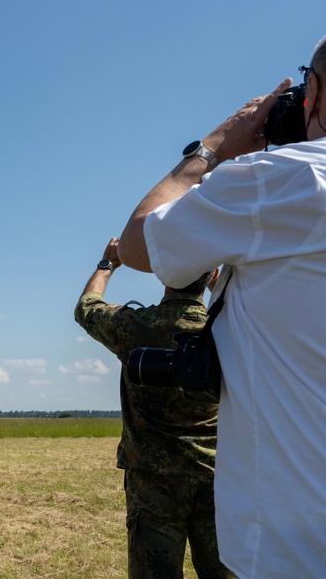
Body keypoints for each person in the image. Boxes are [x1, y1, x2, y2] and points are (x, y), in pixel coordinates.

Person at [117, 37, 326, 578]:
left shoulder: (280, 180)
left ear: (315, 91)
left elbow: (138, 243)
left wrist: (213, 148)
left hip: (292, 550)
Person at [74, 238, 233, 579]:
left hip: (152, 484)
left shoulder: (136, 326)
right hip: (218, 478)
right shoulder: (230, 331)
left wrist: (108, 264)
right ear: (213, 276)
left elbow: (86, 307)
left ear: (164, 276)